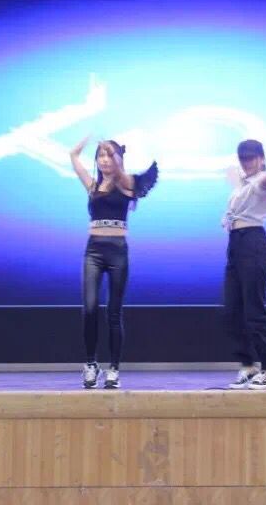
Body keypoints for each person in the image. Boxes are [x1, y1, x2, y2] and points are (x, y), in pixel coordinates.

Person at [69, 136, 157, 389]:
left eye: (109, 155)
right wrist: (87, 138)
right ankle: (90, 364)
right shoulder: (93, 185)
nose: (104, 160)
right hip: (93, 251)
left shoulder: (125, 182)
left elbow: (133, 169)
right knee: (89, 308)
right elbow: (73, 156)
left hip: (117, 251)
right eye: (100, 156)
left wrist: (116, 152)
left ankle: (114, 369)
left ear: (117, 159)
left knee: (114, 312)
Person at [222, 139, 266, 390]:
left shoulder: (262, 182)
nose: (246, 162)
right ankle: (248, 366)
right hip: (236, 244)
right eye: (243, 158)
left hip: (254, 244)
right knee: (232, 309)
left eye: (251, 157)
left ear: (261, 158)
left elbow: (265, 184)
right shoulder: (241, 185)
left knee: (254, 310)